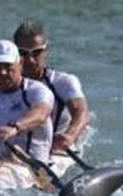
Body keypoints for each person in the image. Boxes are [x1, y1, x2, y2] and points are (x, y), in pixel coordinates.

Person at [13, 21, 90, 154]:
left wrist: (70, 135)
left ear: (46, 52)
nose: (30, 60)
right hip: (20, 150)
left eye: (36, 52)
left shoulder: (63, 82)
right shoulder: (2, 85)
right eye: (23, 53)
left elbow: (81, 112)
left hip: (56, 149)